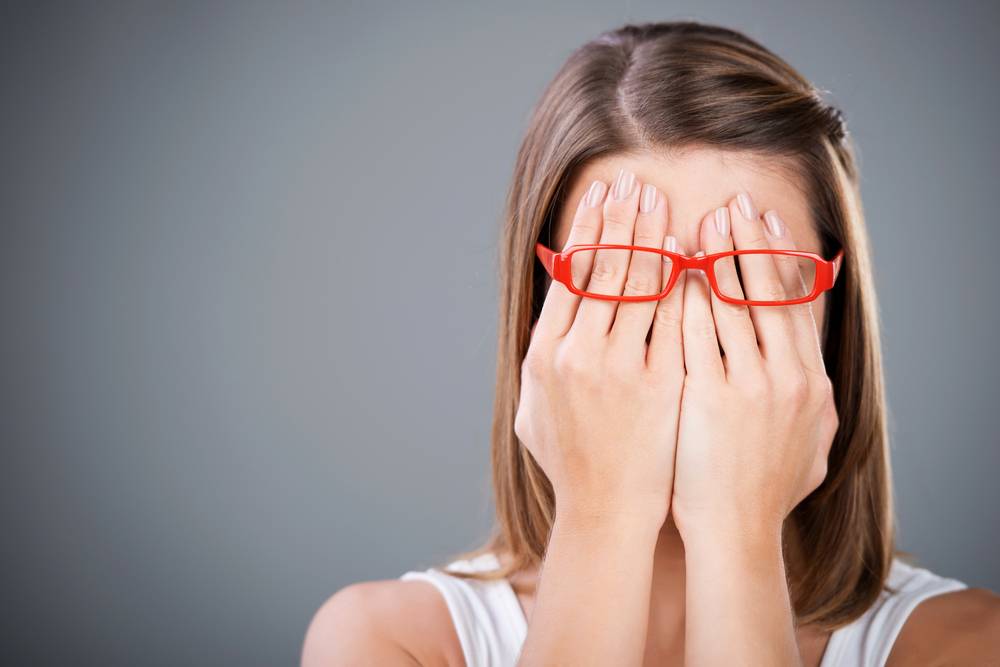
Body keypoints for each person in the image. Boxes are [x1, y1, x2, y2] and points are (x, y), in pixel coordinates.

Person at [301, 20, 1000, 666]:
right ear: (541, 310)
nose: (689, 336)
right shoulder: (386, 640)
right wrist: (602, 515)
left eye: (748, 272)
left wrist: (737, 530)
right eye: (622, 271)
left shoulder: (967, 643)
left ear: (833, 308)